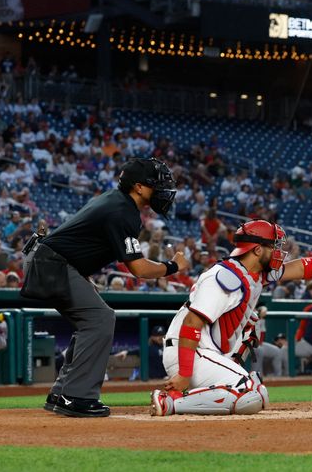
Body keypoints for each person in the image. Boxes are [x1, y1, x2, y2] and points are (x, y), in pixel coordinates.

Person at [150, 219, 312, 415]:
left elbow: (302, 268)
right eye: (274, 246)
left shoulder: (254, 274)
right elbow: (192, 322)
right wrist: (185, 373)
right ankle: (170, 402)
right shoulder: (225, 277)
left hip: (203, 352)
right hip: (189, 353)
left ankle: (182, 395)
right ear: (257, 250)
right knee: (251, 393)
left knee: (253, 371)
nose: (280, 252)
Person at [21, 158, 188, 418]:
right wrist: (173, 266)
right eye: (158, 185)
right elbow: (140, 269)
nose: (163, 191)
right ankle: (75, 396)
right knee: (100, 318)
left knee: (93, 319)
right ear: (140, 188)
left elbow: (80, 245)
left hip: (52, 263)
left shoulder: (116, 202)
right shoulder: (122, 211)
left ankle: (62, 392)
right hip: (52, 265)